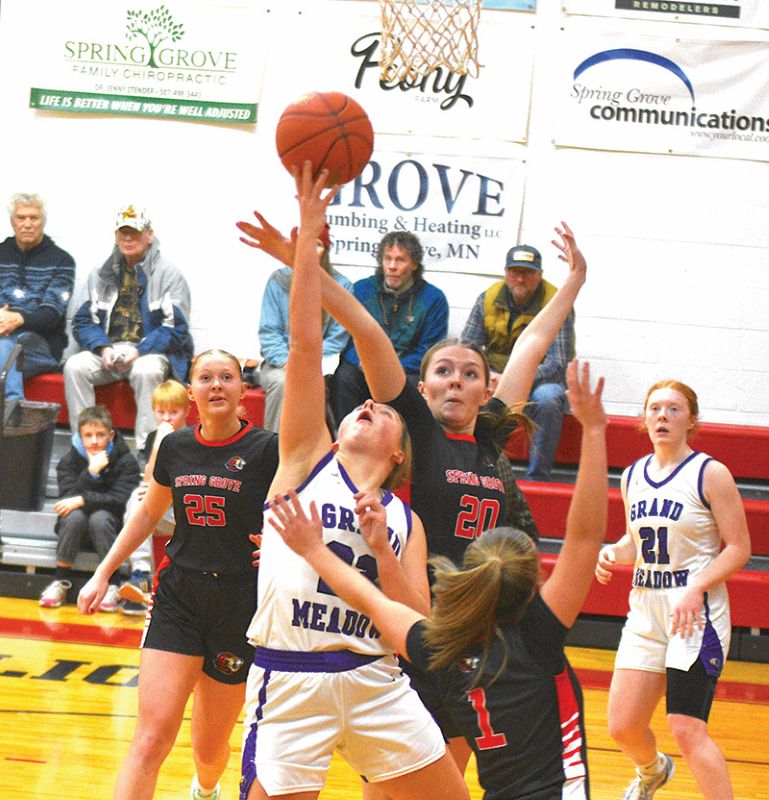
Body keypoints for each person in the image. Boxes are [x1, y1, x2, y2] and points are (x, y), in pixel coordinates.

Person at [237, 211, 585, 787]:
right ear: (419, 390)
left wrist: (572, 282)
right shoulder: (415, 434)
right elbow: (368, 330)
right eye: (443, 371)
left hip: (473, 636)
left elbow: (529, 347)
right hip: (411, 629)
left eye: (470, 373)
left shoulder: (490, 434)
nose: (456, 379)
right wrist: (301, 264)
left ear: (486, 388)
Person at [268, 359, 608, 800]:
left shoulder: (443, 652)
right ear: (534, 583)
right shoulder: (539, 640)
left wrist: (318, 551)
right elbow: (584, 539)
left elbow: (373, 601)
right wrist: (594, 432)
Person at [239, 163, 468, 800]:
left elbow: (417, 622)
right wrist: (307, 252)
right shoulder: (307, 459)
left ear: (400, 453)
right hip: (293, 676)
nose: (368, 404)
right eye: (362, 406)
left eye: (385, 409)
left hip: (378, 678)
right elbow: (306, 347)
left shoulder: (405, 519)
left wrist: (384, 546)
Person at [77, 348, 279, 800]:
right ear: (191, 392)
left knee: (209, 750)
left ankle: (205, 790)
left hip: (240, 604)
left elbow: (298, 511)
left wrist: (281, 549)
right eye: (205, 378)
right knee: (150, 738)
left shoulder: (268, 448)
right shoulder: (174, 446)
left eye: (225, 377)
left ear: (242, 389)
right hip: (178, 597)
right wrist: (103, 572)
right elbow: (149, 514)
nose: (216, 385)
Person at [595, 379, 751, 800]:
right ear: (644, 419)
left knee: (686, 727)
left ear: (691, 420)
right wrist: (613, 552)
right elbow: (636, 541)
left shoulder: (710, 473)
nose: (663, 415)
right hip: (646, 611)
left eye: (674, 409)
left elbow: (739, 547)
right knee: (622, 726)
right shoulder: (632, 476)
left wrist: (697, 585)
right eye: (655, 408)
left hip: (694, 615)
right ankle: (652, 771)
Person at [64, 204, 193, 450]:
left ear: (149, 235)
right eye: (122, 232)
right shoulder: (101, 273)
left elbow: (176, 329)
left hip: (152, 353)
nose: (127, 238)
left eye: (134, 232)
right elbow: (82, 321)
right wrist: (102, 348)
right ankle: (86, 446)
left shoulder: (168, 274)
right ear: (116, 236)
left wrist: (140, 350)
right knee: (75, 366)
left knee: (146, 370)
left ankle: (149, 451)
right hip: (110, 351)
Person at [461, 243, 575, 481]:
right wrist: (485, 376)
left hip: (540, 380)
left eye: (527, 273)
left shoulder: (556, 303)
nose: (520, 279)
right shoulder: (487, 299)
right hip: (492, 376)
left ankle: (538, 477)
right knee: (467, 387)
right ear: (505, 273)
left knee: (550, 398)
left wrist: (512, 379)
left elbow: (558, 363)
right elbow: (466, 350)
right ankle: (471, 468)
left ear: (539, 275)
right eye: (515, 272)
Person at [330, 229, 448, 425]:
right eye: (387, 259)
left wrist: (388, 370)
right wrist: (365, 364)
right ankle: (346, 438)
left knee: (412, 384)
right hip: (363, 366)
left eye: (400, 260)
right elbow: (345, 340)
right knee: (344, 377)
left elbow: (428, 351)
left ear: (414, 264)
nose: (392, 266)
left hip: (405, 370)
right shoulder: (361, 290)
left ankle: (403, 445)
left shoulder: (433, 299)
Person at [39, 406, 140, 611]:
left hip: (111, 530)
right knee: (74, 515)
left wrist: (84, 499)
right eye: (88, 435)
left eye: (100, 435)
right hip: (76, 528)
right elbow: (66, 501)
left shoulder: (126, 461)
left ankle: (112, 584)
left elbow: (120, 501)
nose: (94, 441)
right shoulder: (69, 461)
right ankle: (61, 581)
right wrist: (91, 473)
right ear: (80, 436)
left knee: (100, 517)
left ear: (111, 435)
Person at [258, 222, 352, 432]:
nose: (310, 251)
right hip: (279, 365)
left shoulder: (342, 286)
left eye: (317, 245)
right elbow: (269, 333)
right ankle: (273, 451)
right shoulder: (278, 280)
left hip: (319, 365)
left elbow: (337, 339)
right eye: (305, 244)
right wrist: (288, 363)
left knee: (316, 386)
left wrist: (306, 365)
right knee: (283, 384)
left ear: (326, 251)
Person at [117, 379, 190, 615]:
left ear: (187, 410)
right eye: (161, 412)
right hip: (162, 513)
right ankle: (140, 574)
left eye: (174, 412)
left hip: (187, 515)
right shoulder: (153, 438)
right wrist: (159, 445)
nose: (167, 418)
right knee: (137, 499)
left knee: (144, 501)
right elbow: (149, 483)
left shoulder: (193, 439)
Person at [0, 192, 75, 400]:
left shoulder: (62, 261)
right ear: (12, 222)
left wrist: (18, 318)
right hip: (2, 335)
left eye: (34, 218)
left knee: (8, 344)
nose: (27, 224)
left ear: (43, 222)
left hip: (43, 346)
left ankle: (11, 410)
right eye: (21, 218)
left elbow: (51, 315)